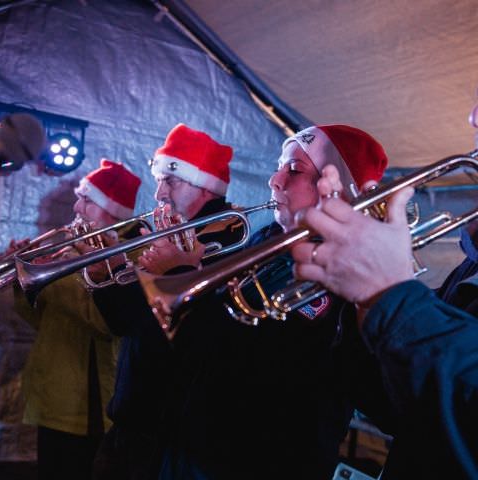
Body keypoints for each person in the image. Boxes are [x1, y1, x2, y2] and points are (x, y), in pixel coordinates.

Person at [147, 124, 394, 480]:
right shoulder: (269, 237)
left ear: (336, 188)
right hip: (196, 444)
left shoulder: (342, 269)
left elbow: (243, 356)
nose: (274, 180)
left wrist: (177, 275)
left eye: (295, 170)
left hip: (257, 461)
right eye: (280, 166)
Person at [291, 164, 478, 479]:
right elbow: (399, 410)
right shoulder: (468, 267)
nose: (474, 118)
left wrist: (390, 296)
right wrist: (363, 303)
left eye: (294, 169)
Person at [91, 124, 245, 479]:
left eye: (170, 181)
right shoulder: (174, 231)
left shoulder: (224, 240)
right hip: (135, 419)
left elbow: (137, 321)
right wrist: (104, 275)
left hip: (169, 432)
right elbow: (121, 319)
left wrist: (158, 270)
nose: (159, 193)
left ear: (205, 186)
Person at [12, 159, 142, 480]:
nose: (76, 206)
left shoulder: (131, 252)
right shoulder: (72, 248)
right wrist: (23, 281)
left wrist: (51, 282)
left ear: (111, 211)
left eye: (87, 199)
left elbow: (103, 322)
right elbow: (39, 319)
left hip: (91, 406)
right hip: (54, 396)